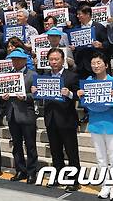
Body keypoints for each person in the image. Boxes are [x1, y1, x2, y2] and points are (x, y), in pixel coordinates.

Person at [77, 53, 113, 201]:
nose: (96, 66)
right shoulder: (88, 81)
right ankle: (105, 185)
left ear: (106, 65)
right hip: (95, 124)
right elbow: (85, 103)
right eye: (93, 63)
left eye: (99, 63)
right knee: (101, 159)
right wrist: (80, 95)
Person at [31, 48, 81, 191]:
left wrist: (70, 94)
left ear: (63, 60)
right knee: (55, 151)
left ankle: (74, 180)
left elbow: (80, 95)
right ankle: (58, 176)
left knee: (71, 151)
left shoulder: (71, 76)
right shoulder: (44, 76)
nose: (54, 62)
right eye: (51, 59)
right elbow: (41, 97)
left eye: (56, 59)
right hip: (51, 119)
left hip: (67, 119)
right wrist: (35, 92)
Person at [3, 49, 38, 184]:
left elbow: (36, 94)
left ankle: (31, 172)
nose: (15, 62)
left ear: (24, 60)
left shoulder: (32, 74)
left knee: (30, 145)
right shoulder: (8, 75)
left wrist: (26, 97)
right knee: (16, 145)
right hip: (12, 114)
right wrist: (4, 96)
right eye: (13, 59)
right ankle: (20, 170)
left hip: (26, 114)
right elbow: (3, 92)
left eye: (17, 59)